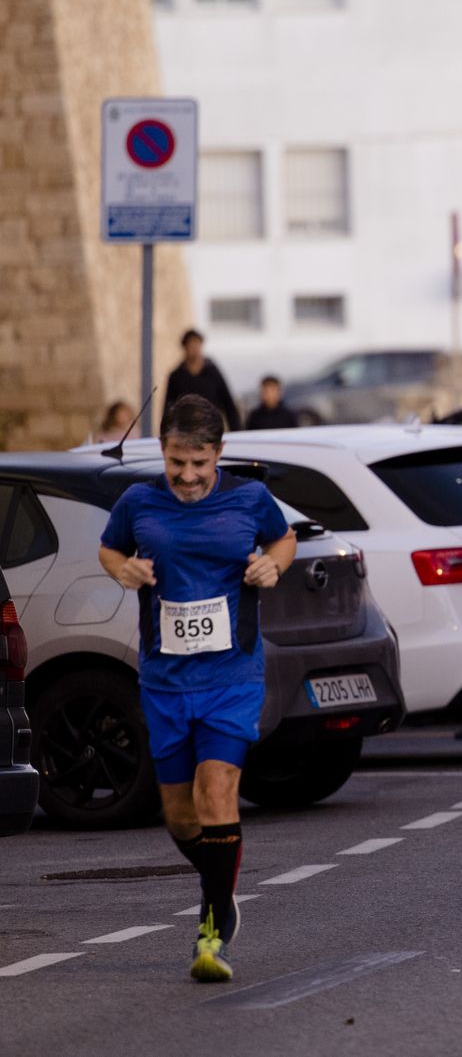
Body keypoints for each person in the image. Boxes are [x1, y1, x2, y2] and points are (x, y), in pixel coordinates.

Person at [97, 394, 296, 982]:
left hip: (231, 674)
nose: (187, 476)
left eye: (199, 463)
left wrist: (273, 564)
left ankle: (212, 928)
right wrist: (122, 568)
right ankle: (219, 881)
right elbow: (110, 547)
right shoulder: (138, 502)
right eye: (176, 462)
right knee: (181, 817)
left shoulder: (249, 498)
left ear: (219, 453)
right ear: (163, 450)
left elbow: (283, 539)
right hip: (164, 679)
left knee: (217, 791)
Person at [162, 329, 242, 432]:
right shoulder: (176, 376)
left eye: (197, 345)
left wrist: (236, 430)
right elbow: (169, 408)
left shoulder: (212, 372)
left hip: (210, 428)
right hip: (186, 430)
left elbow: (228, 403)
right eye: (191, 345)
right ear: (185, 347)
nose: (195, 349)